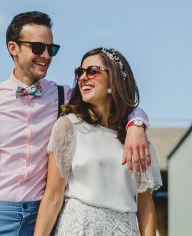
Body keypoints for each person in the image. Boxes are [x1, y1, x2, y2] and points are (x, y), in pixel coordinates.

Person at [0, 11, 151, 236]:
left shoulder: (64, 96)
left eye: (51, 49)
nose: (46, 55)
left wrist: (136, 124)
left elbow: (112, 100)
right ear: (13, 48)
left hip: (44, 216)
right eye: (38, 48)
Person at [33, 48, 163, 236]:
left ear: (114, 79)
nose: (83, 77)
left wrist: (136, 126)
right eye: (80, 72)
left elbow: (146, 207)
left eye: (92, 71)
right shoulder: (68, 127)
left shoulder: (136, 140)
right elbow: (53, 196)